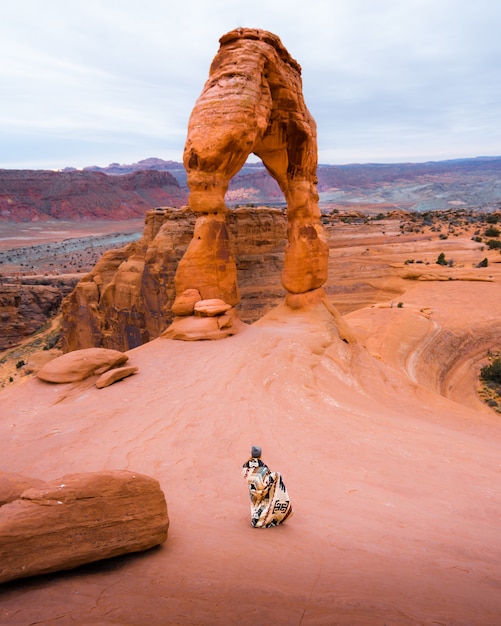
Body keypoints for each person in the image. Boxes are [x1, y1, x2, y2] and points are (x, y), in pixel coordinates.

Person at [242, 445, 292, 528]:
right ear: (260, 454)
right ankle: (263, 519)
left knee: (256, 504)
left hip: (253, 489)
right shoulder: (263, 466)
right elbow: (266, 478)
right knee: (265, 500)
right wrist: (275, 476)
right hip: (262, 489)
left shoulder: (245, 465)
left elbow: (247, 476)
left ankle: (256, 516)